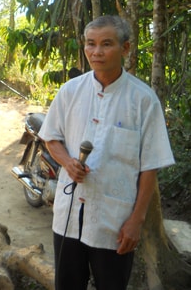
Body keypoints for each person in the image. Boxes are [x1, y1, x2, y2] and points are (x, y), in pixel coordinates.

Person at [38, 15, 174, 290]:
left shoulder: (143, 100)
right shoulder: (70, 91)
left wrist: (136, 221)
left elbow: (150, 166)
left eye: (106, 44)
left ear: (125, 49)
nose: (96, 52)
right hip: (68, 217)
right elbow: (51, 137)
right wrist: (67, 162)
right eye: (91, 44)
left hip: (114, 222)